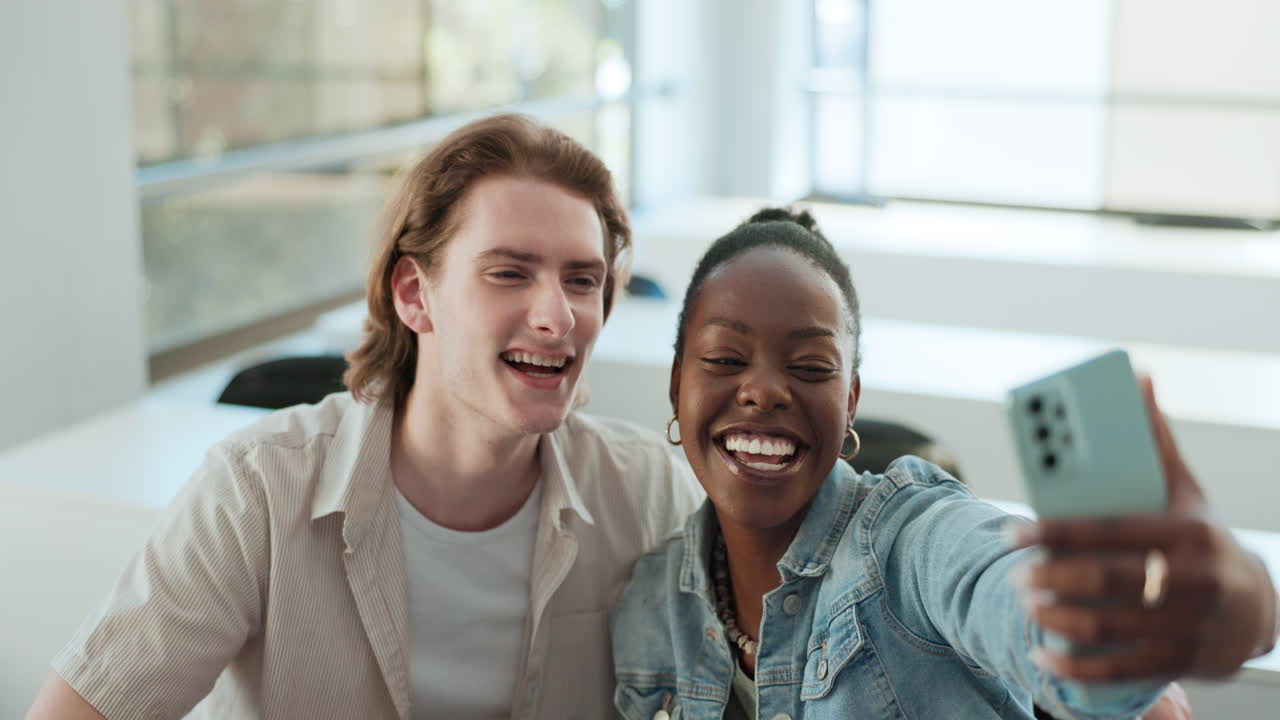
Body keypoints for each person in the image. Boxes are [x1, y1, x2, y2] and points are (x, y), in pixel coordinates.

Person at [27, 114, 702, 719]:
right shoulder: (257, 493)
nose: (558, 317)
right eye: (509, 273)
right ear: (414, 294)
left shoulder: (648, 493)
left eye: (581, 280)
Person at [610, 208, 1277, 719]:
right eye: (726, 359)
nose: (763, 390)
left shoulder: (912, 540)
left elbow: (1021, 607)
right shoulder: (647, 605)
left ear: (849, 402)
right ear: (676, 386)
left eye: (810, 366)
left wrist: (1204, 605)